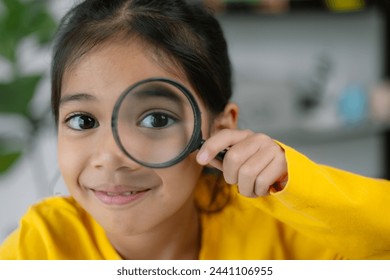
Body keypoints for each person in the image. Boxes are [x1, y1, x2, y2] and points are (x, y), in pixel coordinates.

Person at [1, 0, 389, 260]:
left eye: (156, 119)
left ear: (221, 129)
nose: (109, 157)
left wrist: (295, 183)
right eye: (83, 121)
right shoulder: (43, 245)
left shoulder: (277, 229)